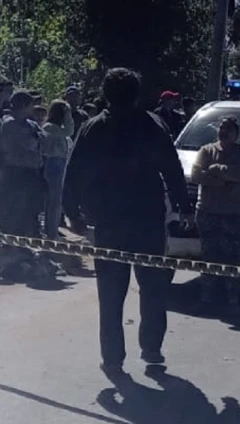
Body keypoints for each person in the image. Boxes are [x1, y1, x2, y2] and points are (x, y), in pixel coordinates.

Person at [63, 67, 194, 378]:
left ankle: (112, 359)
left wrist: (73, 213)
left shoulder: (93, 128)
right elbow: (172, 168)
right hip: (147, 220)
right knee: (153, 288)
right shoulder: (153, 125)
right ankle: (151, 348)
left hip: (108, 221)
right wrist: (184, 207)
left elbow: (74, 172)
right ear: (137, 95)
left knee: (110, 294)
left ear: (106, 95)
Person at [189, 116, 240, 311]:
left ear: (236, 133)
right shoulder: (206, 151)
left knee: (231, 257)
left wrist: (219, 169)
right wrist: (220, 181)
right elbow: (196, 174)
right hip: (208, 211)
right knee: (209, 255)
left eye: (228, 129)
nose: (223, 132)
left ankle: (232, 301)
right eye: (221, 128)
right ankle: (206, 298)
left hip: (234, 214)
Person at [0, 90, 51, 278]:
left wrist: (37, 138)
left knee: (31, 211)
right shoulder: (9, 124)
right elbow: (29, 142)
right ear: (22, 106)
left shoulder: (29, 123)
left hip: (32, 173)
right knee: (14, 212)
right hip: (15, 174)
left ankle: (25, 250)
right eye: (30, 104)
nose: (33, 108)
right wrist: (36, 138)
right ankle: (11, 251)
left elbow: (44, 141)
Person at [40, 100, 75, 239]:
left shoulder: (59, 130)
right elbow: (70, 130)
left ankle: (52, 230)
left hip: (61, 164)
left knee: (56, 202)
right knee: (53, 202)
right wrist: (68, 113)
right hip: (53, 164)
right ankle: (51, 233)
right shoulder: (50, 127)